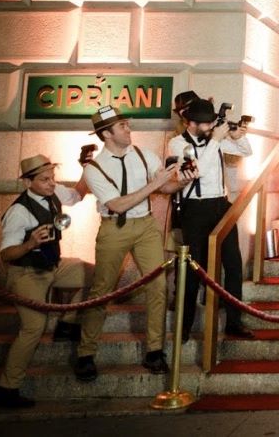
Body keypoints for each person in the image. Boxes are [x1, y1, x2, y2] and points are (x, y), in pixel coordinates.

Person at [75, 105, 192, 382]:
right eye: (122, 126)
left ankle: (154, 351)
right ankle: (86, 353)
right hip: (114, 229)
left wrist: (183, 182)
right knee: (102, 290)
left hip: (146, 226)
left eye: (127, 124)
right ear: (106, 134)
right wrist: (157, 184)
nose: (128, 129)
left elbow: (164, 187)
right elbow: (117, 205)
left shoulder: (143, 154)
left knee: (158, 285)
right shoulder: (94, 169)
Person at [0, 156, 92, 408]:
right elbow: (5, 254)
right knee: (33, 328)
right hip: (26, 272)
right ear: (28, 182)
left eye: (52, 178)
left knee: (97, 276)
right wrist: (30, 244)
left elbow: (77, 194)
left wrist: (86, 167)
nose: (51, 184)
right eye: (45, 180)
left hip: (53, 266)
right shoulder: (19, 211)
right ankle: (7, 389)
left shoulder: (52, 192)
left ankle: (67, 324)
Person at [167, 98, 254, 341]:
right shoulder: (177, 144)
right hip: (194, 208)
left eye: (211, 123)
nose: (208, 128)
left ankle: (235, 322)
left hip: (220, 205)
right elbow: (197, 171)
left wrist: (236, 137)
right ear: (190, 123)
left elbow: (247, 151)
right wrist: (215, 139)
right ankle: (184, 327)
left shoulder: (215, 139)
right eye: (204, 124)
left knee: (233, 264)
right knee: (194, 268)